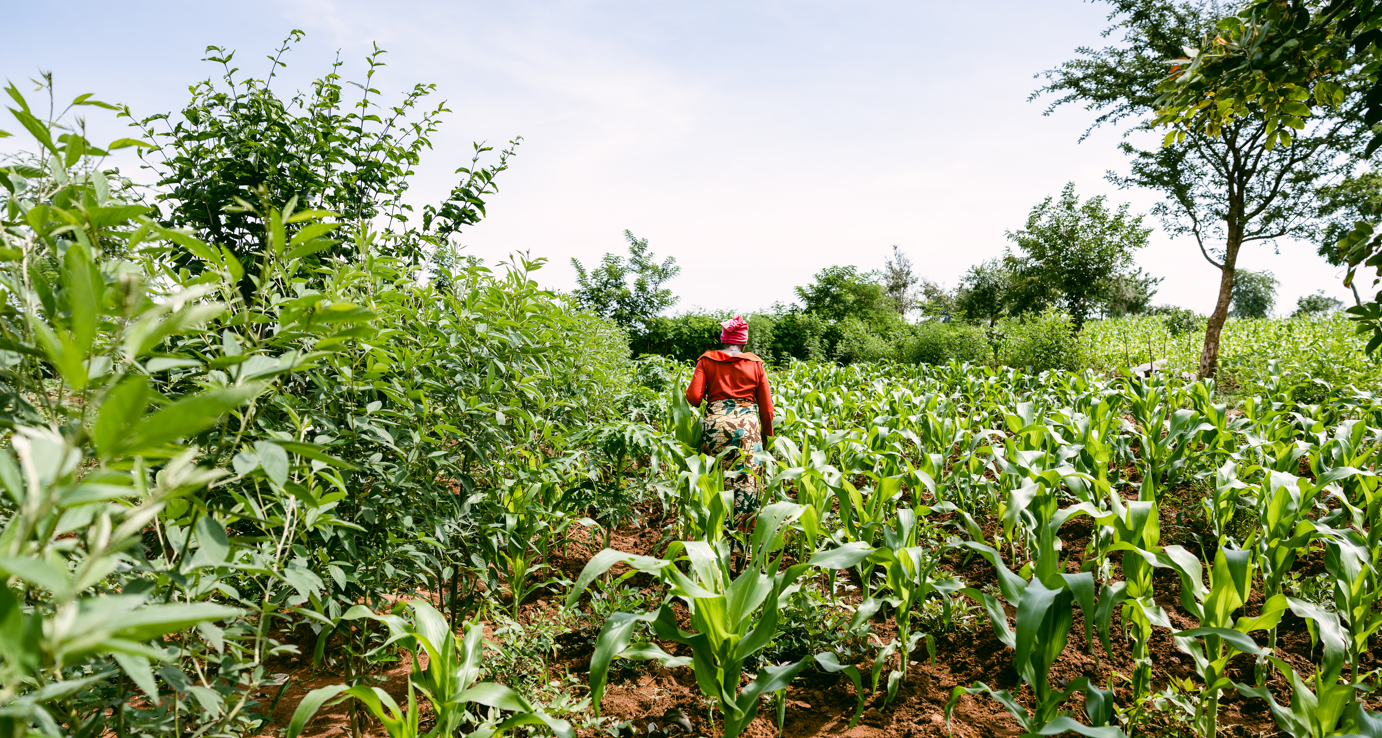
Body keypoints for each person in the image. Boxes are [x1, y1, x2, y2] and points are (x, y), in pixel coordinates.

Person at [684, 315, 775, 540]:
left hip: (716, 427)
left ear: (723, 341)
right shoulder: (755, 363)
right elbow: (767, 409)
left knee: (717, 483)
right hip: (749, 429)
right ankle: (743, 546)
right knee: (747, 484)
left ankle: (716, 541)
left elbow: (694, 397)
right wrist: (766, 438)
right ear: (743, 343)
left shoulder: (706, 360)